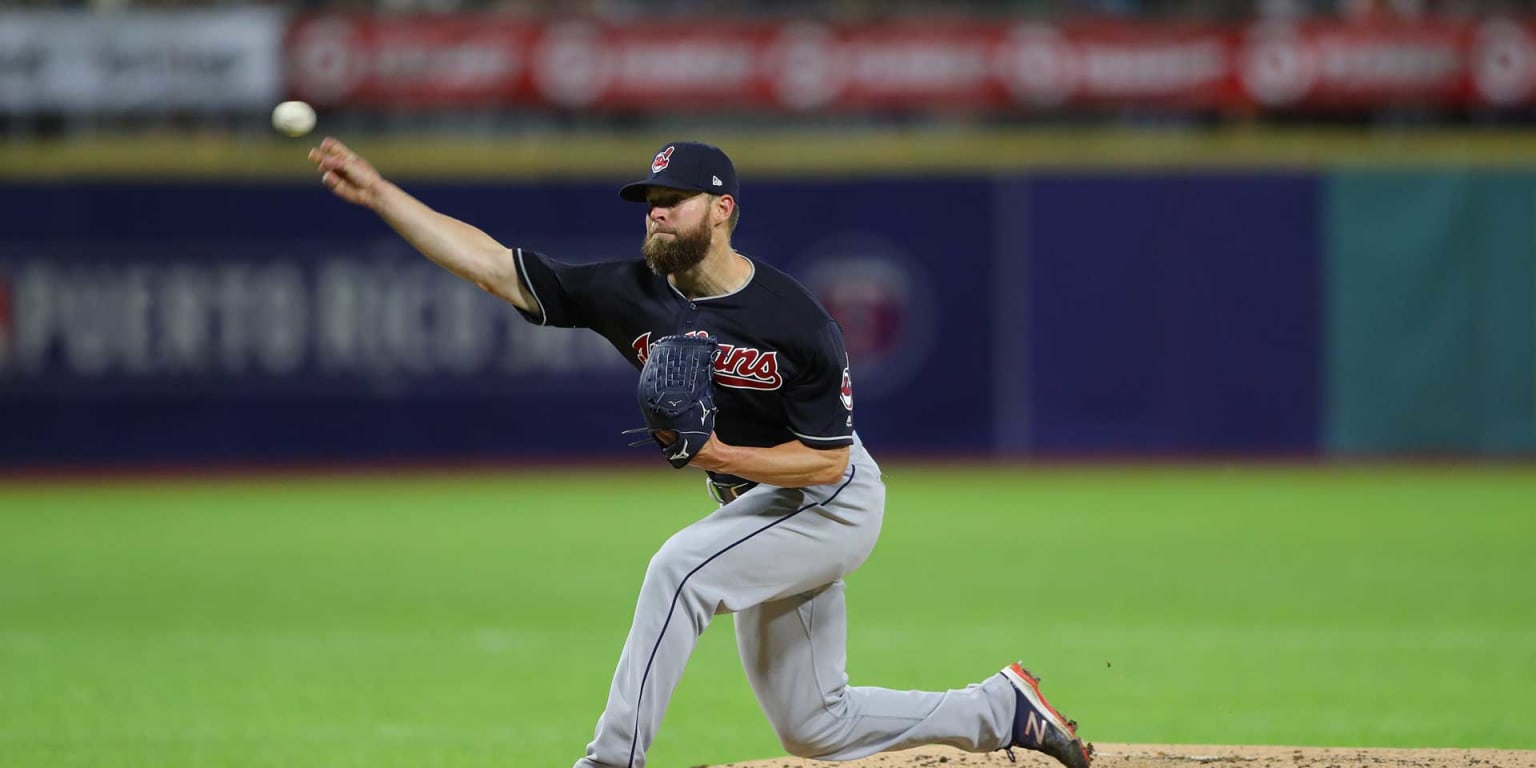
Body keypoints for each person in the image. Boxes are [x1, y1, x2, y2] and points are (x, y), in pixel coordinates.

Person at [308, 137, 1093, 768]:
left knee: (680, 570)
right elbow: (491, 267)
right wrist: (381, 194)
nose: (654, 215)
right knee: (814, 726)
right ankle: (1002, 708)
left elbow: (827, 463)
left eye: (670, 202)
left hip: (830, 501)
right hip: (761, 507)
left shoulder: (795, 322)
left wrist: (714, 449)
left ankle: (612, 760)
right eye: (648, 203)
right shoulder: (629, 293)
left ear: (721, 210)